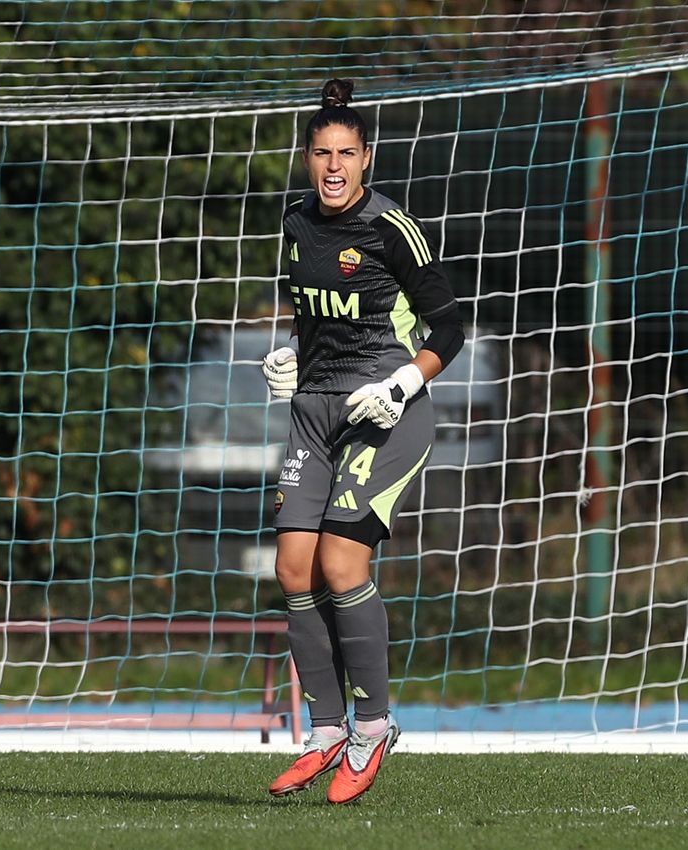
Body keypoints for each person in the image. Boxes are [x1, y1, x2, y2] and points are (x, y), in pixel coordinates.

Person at [262, 78, 463, 804]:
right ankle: (324, 729)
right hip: (314, 414)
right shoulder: (294, 223)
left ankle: (372, 725)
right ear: (306, 158)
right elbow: (316, 319)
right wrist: (291, 359)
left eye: (347, 152)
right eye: (322, 153)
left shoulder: (391, 229)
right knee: (292, 569)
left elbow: (449, 328)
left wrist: (401, 385)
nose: (334, 166)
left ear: (367, 158)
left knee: (342, 564)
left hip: (385, 414)